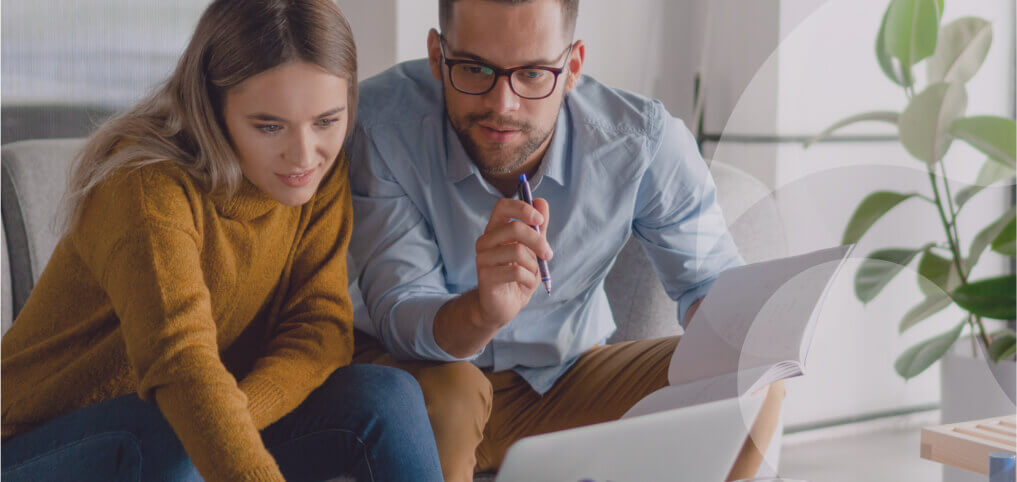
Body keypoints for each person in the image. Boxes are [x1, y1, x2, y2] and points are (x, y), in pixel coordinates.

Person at [0, 1, 443, 481]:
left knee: (383, 396)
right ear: (211, 107)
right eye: (269, 126)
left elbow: (318, 331)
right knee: (174, 423)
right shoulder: (146, 186)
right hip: (36, 444)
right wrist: (220, 435)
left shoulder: (318, 173)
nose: (303, 154)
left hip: (188, 425)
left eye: (326, 121)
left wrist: (234, 421)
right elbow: (181, 367)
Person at [347, 0, 786, 480]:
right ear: (437, 56)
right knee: (452, 397)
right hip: (426, 378)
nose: (503, 105)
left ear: (572, 66)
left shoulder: (639, 141)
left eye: (534, 74)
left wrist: (737, 329)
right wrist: (482, 311)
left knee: (753, 380)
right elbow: (399, 310)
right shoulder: (380, 125)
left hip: (566, 378)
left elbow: (715, 289)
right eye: (474, 69)